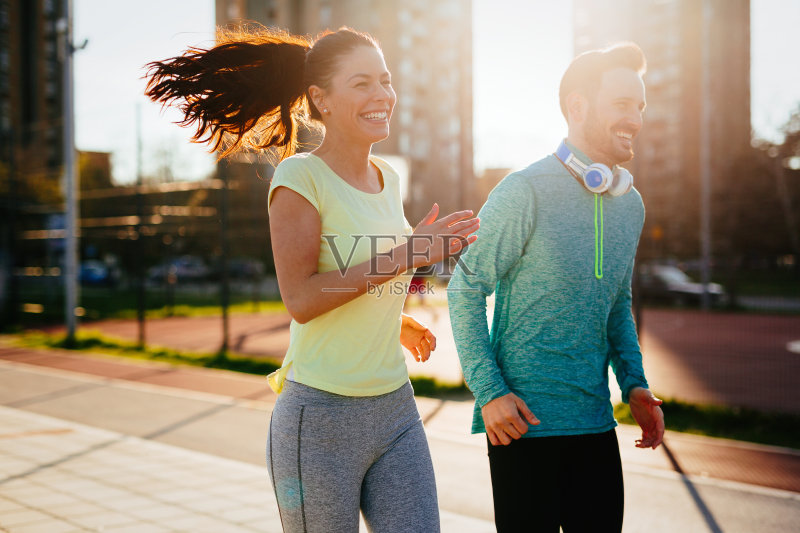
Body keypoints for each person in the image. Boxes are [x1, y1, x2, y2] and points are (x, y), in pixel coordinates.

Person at [145, 26, 479, 533]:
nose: (382, 95)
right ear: (320, 99)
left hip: (394, 410)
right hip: (319, 419)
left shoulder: (388, 178)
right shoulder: (299, 177)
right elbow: (301, 298)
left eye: (385, 81)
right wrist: (409, 252)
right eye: (362, 83)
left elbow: (368, 270)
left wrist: (398, 321)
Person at [447, 42, 665, 532]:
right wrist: (489, 392)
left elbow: (617, 306)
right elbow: (465, 288)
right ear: (578, 107)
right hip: (523, 427)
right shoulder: (523, 190)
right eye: (623, 104)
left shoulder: (631, 206)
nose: (636, 118)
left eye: (641, 107)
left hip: (596, 426)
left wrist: (635, 384)